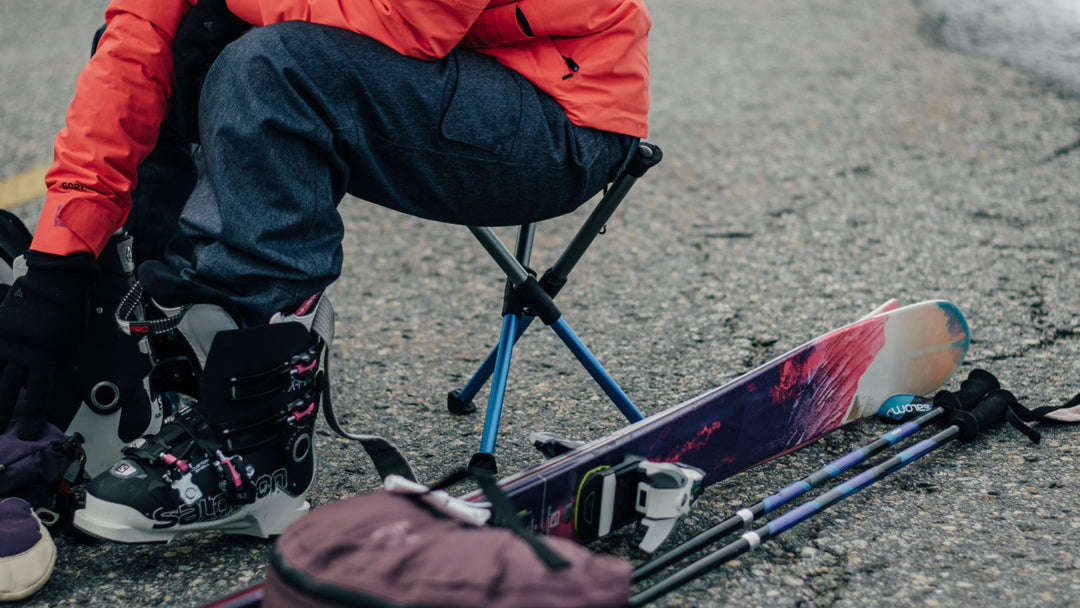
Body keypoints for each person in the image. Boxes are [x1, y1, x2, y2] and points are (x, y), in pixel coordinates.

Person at [0, 0, 651, 543]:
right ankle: (177, 374)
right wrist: (58, 269)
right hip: (410, 74)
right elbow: (131, 55)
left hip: (556, 107)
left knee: (265, 67)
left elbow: (415, 17)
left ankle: (257, 445)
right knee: (177, 49)